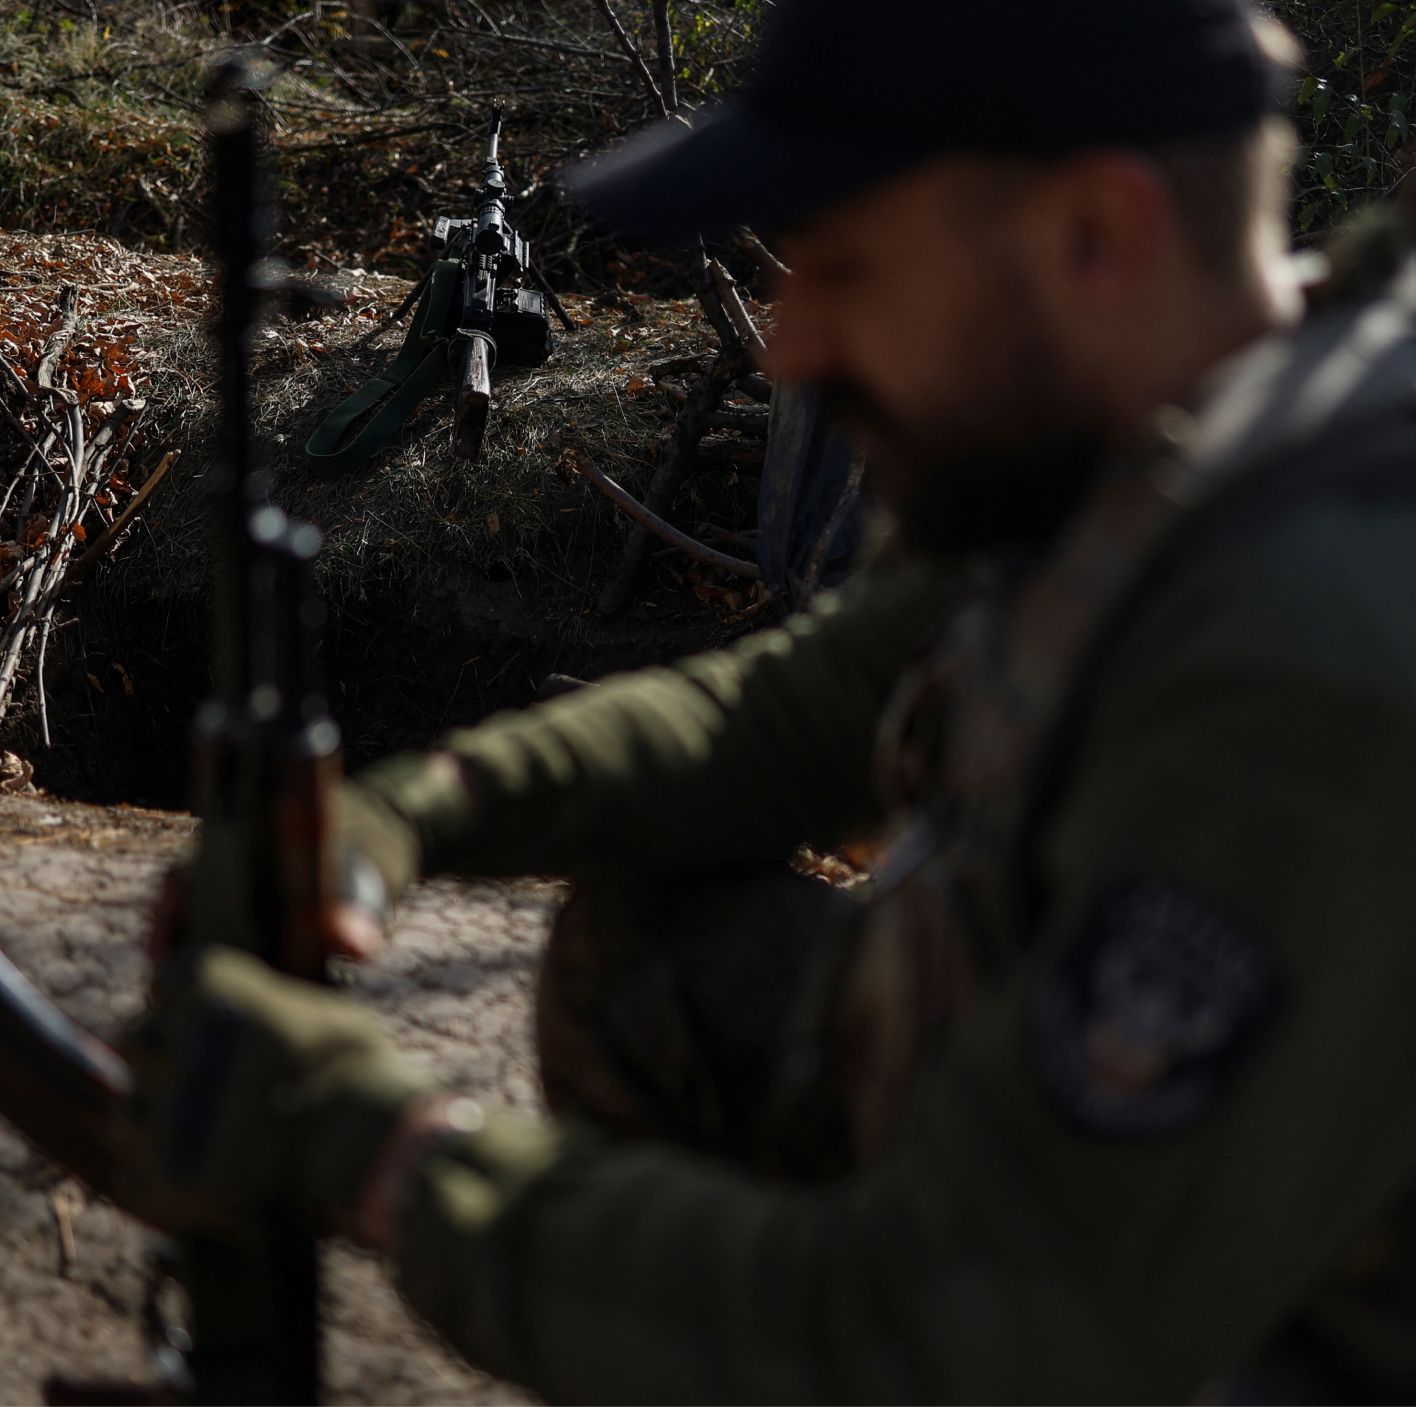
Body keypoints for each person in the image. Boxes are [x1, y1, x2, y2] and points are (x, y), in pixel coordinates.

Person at [105, 0, 1416, 1398]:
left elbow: (946, 1345)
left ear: (1098, 236)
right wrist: (401, 818)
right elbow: (799, 709)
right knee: (657, 961)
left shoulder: (1311, 667)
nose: (789, 348)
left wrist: (382, 1154)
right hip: (1149, 1245)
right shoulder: (1166, 429)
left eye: (843, 267)